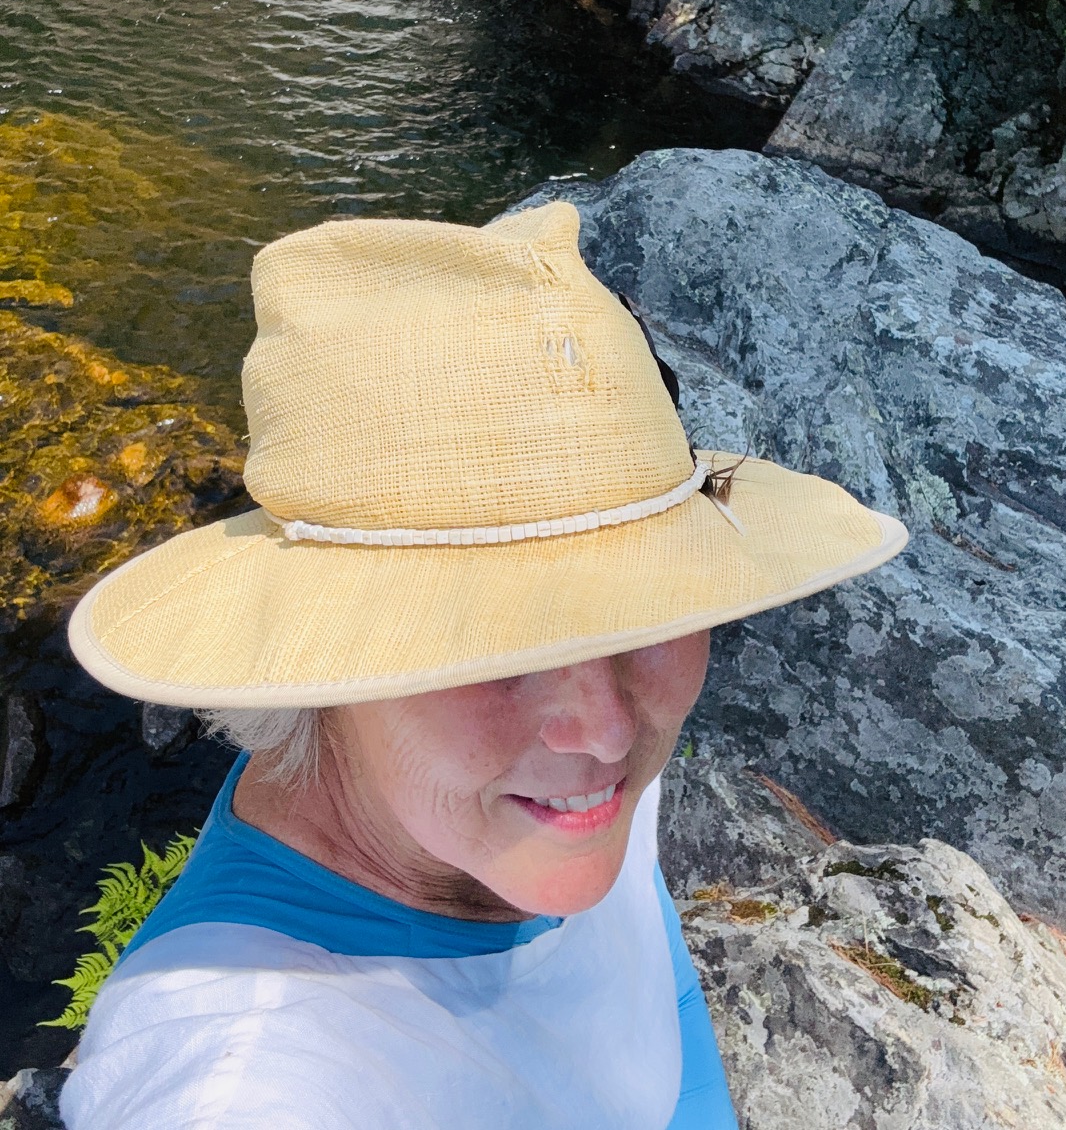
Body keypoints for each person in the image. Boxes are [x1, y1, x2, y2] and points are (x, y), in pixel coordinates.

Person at [62, 202, 907, 1129]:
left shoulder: (545, 790)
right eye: (492, 645)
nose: (609, 730)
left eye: (642, 608)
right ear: (327, 663)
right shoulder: (251, 1077)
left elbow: (648, 1009)